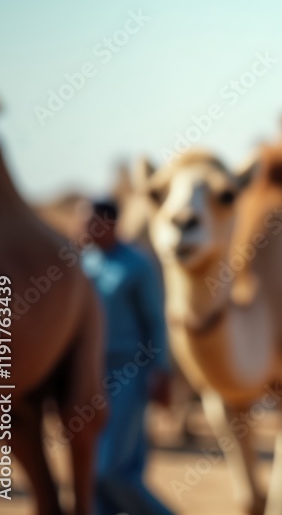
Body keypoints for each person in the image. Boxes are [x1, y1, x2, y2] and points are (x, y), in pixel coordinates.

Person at [81, 200, 173, 515]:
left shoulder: (137, 264)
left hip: (128, 374)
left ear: (110, 224)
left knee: (110, 472)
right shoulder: (84, 263)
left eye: (91, 222)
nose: (84, 229)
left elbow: (155, 321)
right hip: (90, 376)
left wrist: (160, 372)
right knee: (93, 479)